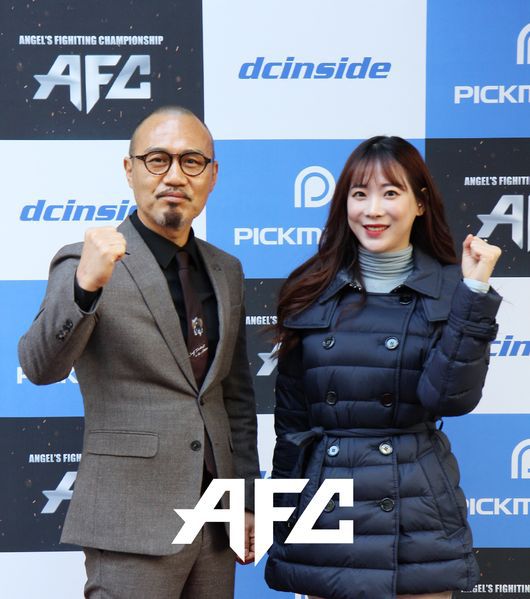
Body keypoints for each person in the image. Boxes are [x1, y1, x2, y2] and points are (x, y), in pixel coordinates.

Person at [18, 106, 260, 599]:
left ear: (212, 176)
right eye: (157, 159)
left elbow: (234, 398)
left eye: (191, 161)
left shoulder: (226, 270)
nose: (174, 176)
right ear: (129, 170)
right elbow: (39, 367)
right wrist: (85, 287)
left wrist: (246, 499)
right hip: (130, 520)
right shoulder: (86, 260)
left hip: (215, 520)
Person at [264, 136, 502, 599]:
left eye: (390, 193)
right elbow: (292, 426)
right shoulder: (309, 289)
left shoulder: (452, 289)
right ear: (344, 204)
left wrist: (473, 292)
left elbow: (448, 399)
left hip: (415, 515)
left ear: (420, 204)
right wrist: (281, 513)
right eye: (360, 194)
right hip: (326, 511)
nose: (373, 210)